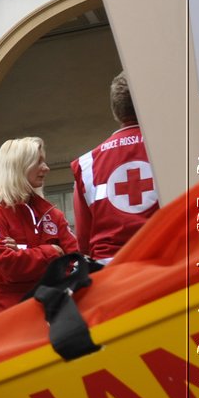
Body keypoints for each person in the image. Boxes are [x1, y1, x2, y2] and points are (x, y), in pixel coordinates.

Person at [0, 136, 80, 317]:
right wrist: (52, 251)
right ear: (18, 167)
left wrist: (25, 254)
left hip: (52, 315)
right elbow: (12, 269)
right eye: (38, 162)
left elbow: (75, 258)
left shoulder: (51, 214)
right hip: (10, 321)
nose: (46, 168)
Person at [72, 71, 158, 263]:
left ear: (115, 112)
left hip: (110, 270)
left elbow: (83, 238)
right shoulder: (169, 150)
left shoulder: (86, 163)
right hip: (160, 262)